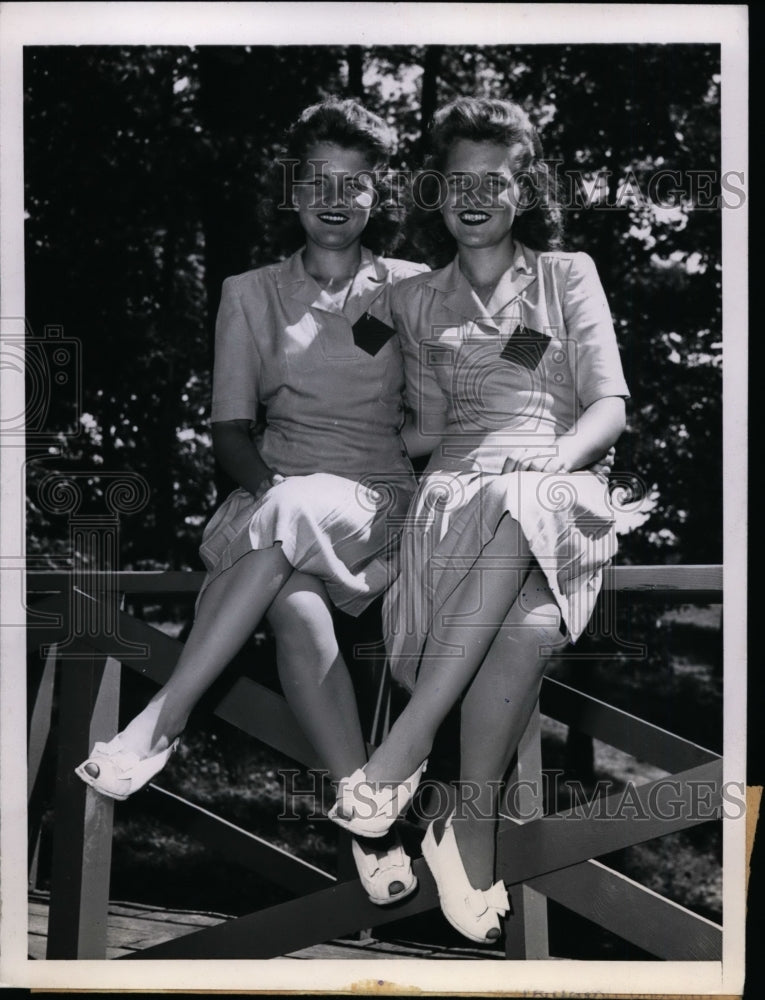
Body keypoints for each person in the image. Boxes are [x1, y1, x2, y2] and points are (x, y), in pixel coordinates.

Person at [75, 98, 431, 907]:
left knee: (296, 517)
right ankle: (369, 820)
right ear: (290, 192)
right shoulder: (247, 292)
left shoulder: (414, 288)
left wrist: (563, 357)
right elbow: (231, 430)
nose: (333, 199)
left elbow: (515, 336)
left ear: (381, 195)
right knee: (296, 608)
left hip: (377, 505)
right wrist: (274, 497)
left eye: (354, 183)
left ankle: (161, 720)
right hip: (274, 505)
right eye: (314, 181)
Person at [328, 97, 629, 942]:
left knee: (521, 496)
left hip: (554, 479)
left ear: (523, 189)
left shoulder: (567, 275)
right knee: (531, 628)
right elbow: (353, 385)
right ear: (436, 190)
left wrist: (555, 461)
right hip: (454, 497)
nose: (472, 196)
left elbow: (607, 405)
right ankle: (463, 830)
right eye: (456, 180)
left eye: (492, 181)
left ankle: (401, 755)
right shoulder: (411, 300)